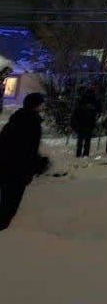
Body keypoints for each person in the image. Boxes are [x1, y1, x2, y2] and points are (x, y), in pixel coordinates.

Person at [0, 93, 50, 230]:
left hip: (7, 167)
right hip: (19, 170)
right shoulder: (32, 123)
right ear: (37, 106)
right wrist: (38, 164)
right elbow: (28, 150)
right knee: (10, 205)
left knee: (5, 200)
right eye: (41, 104)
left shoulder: (15, 120)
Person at [70, 86, 101, 158]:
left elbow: (76, 110)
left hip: (81, 121)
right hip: (90, 121)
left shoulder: (82, 99)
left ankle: (79, 153)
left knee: (80, 138)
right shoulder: (94, 100)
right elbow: (98, 109)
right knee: (87, 138)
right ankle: (85, 153)